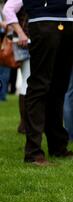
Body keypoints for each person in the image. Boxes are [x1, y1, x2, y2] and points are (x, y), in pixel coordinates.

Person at [21, 0, 73, 165]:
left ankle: (58, 146)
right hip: (44, 18)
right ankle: (33, 152)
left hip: (71, 18)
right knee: (40, 86)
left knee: (59, 87)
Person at [2, 0, 30, 133]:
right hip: (25, 41)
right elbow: (8, 9)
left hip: (23, 39)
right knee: (27, 80)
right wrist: (20, 32)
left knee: (27, 81)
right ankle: (25, 124)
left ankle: (25, 124)